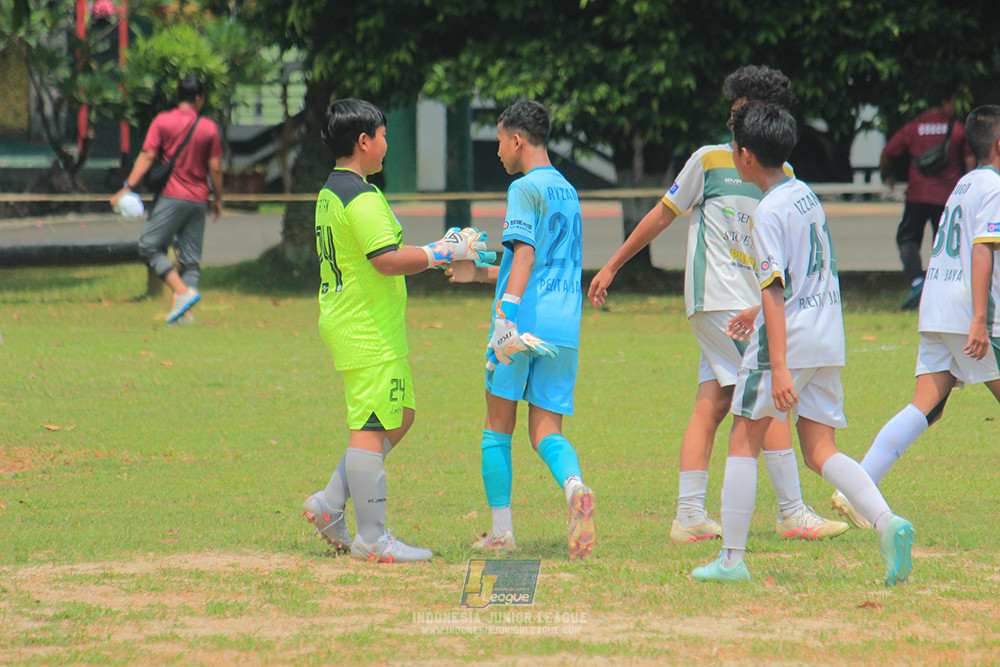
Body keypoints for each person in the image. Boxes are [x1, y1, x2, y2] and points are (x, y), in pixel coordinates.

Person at [588, 65, 847, 545]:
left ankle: (689, 515)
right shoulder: (706, 161)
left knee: (714, 400)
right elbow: (661, 216)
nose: (732, 122)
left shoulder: (782, 172)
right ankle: (791, 513)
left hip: (752, 307)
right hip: (718, 303)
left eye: (738, 112)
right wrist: (613, 266)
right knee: (764, 401)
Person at [691, 102, 914, 586]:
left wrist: (781, 365)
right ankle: (886, 522)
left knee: (743, 437)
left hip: (788, 343)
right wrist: (755, 313)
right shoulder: (804, 195)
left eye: (735, 150)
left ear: (746, 156)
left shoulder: (766, 212)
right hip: (827, 333)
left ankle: (731, 560)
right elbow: (800, 274)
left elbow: (774, 287)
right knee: (819, 450)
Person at [300, 98, 488, 563]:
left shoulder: (335, 191)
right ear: (363, 142)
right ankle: (372, 538)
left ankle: (328, 504)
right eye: (383, 136)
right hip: (365, 327)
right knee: (370, 426)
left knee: (399, 415)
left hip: (362, 323)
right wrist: (442, 251)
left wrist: (439, 250)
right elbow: (386, 259)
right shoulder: (359, 196)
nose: (387, 144)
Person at [833, 105, 1000, 529]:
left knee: (927, 405)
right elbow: (983, 250)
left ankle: (858, 487)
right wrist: (980, 318)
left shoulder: (965, 184)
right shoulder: (994, 187)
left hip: (937, 306)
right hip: (969, 313)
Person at [446, 99, 595, 559]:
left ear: (517, 139)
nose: (497, 153)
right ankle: (575, 488)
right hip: (563, 324)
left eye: (498, 142)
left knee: (497, 427)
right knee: (546, 430)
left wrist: (504, 315)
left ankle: (502, 534)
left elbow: (526, 257)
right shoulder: (568, 191)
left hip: (519, 324)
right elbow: (529, 263)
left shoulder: (524, 188)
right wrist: (481, 271)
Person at [111, 75, 224, 323]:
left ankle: (182, 294)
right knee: (190, 261)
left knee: (149, 246)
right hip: (198, 200)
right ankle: (185, 315)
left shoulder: (163, 121)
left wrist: (127, 187)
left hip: (172, 196)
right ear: (199, 98)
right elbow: (215, 168)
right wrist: (217, 199)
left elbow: (148, 156)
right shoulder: (208, 127)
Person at [880, 86, 975, 310]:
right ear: (946, 102)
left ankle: (917, 282)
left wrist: (886, 177)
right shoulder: (958, 129)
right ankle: (941, 288)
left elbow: (888, 151)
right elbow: (970, 164)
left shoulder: (914, 127)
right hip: (948, 197)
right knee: (944, 244)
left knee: (908, 239)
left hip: (917, 195)